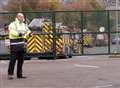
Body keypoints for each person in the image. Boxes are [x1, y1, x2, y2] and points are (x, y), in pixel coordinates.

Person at [8, 13, 31, 79]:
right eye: (21, 17)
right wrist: (19, 34)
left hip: (22, 45)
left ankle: (19, 74)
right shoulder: (13, 24)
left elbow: (28, 31)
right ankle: (10, 74)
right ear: (17, 17)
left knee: (21, 61)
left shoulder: (24, 25)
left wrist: (29, 34)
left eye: (22, 17)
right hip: (14, 45)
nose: (22, 18)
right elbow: (12, 32)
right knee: (13, 60)